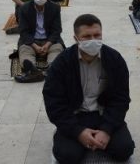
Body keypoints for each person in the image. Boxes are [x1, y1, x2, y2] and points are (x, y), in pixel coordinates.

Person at [43, 14, 135, 164]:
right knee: (67, 156)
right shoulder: (62, 63)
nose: (93, 40)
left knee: (124, 149)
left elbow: (121, 98)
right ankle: (68, 133)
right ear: (76, 38)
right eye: (86, 36)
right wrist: (77, 132)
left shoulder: (114, 59)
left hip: (103, 114)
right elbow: (53, 102)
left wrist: (106, 129)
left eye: (97, 35)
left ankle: (98, 136)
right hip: (75, 116)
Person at [14, 0, 65, 83]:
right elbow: (23, 31)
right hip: (31, 41)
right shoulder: (24, 9)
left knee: (57, 50)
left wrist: (47, 44)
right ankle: (33, 71)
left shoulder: (55, 8)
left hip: (50, 40)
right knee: (24, 51)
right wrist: (35, 46)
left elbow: (57, 30)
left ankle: (51, 69)